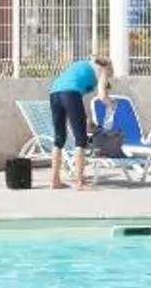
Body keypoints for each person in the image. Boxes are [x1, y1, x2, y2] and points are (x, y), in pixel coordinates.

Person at [46, 55, 108, 190]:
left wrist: (84, 118)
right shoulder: (103, 69)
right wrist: (110, 102)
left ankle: (54, 181)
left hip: (54, 93)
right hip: (70, 94)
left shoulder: (82, 65)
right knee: (81, 139)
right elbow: (102, 96)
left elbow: (76, 95)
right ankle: (80, 182)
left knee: (59, 138)